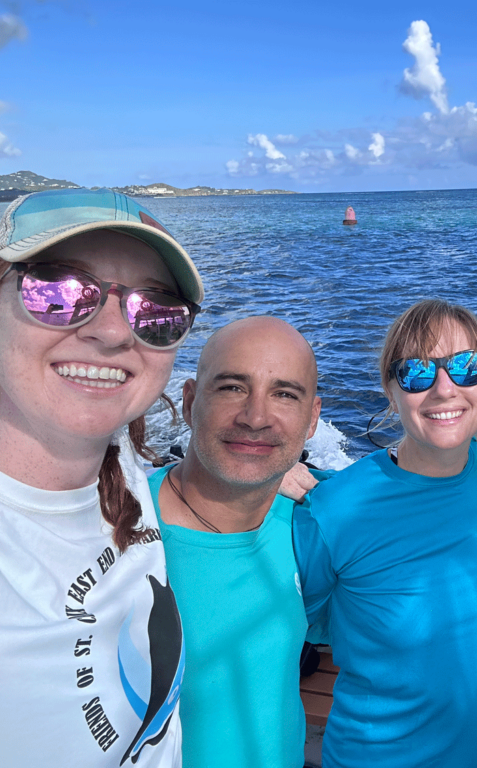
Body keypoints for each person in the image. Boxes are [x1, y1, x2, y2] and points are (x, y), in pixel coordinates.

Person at [0, 188, 203, 766]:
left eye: (155, 310)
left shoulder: (118, 464)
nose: (115, 332)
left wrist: (269, 482)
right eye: (60, 291)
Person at [293, 299, 477, 768]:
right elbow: (299, 624)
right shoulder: (336, 509)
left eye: (465, 367)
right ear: (390, 389)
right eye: (416, 372)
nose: (444, 388)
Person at [147, 316, 322, 768]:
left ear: (312, 420)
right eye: (231, 388)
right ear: (189, 402)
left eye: (284, 394)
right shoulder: (120, 526)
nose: (256, 417)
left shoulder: (314, 522)